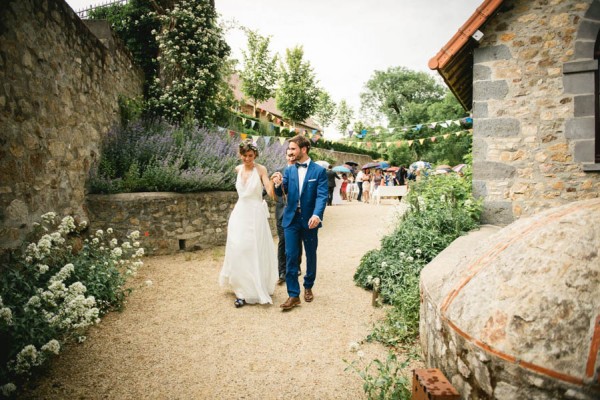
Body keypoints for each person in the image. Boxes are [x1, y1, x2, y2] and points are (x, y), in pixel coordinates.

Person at [271, 135, 328, 311]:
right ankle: (293, 295)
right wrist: (278, 184)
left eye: (293, 149)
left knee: (311, 254)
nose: (290, 152)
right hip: (291, 219)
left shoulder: (319, 171)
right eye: (289, 149)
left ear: (303, 149)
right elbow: (281, 193)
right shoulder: (289, 170)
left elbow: (321, 195)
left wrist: (317, 215)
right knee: (290, 255)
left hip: (310, 220)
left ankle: (308, 285)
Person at [219, 139, 278, 308]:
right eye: (244, 155)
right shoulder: (237, 169)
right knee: (237, 249)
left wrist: (274, 181)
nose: (247, 159)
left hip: (254, 215)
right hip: (239, 214)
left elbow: (269, 190)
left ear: (255, 155)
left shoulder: (261, 169)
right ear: (240, 155)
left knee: (252, 249)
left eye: (250, 155)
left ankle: (254, 287)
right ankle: (241, 291)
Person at [275, 149, 302, 284]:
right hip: (281, 212)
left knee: (297, 240)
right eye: (289, 155)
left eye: (293, 155)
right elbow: (269, 190)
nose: (291, 158)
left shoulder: (301, 172)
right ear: (285, 156)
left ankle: (296, 266)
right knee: (282, 241)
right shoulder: (278, 171)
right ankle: (282, 271)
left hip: (297, 213)